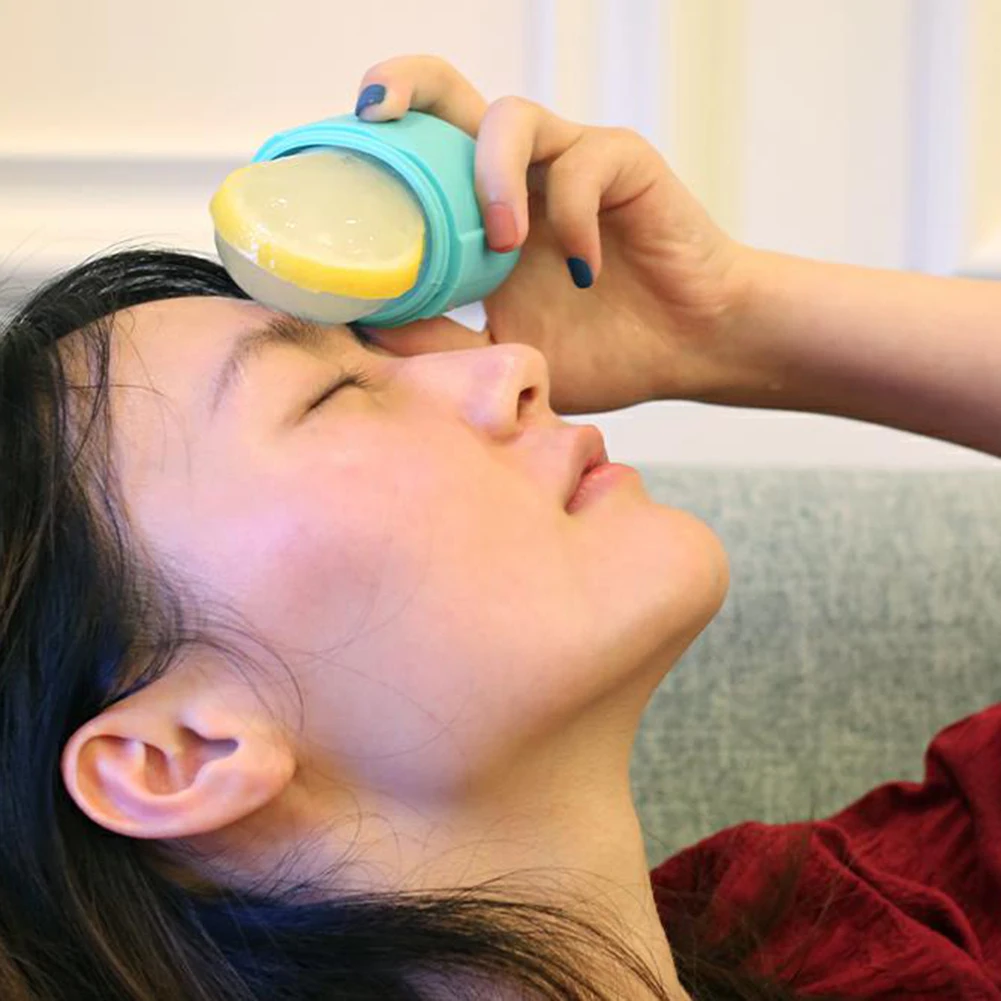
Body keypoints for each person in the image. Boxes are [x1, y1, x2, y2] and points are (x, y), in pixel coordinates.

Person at [1, 52, 999, 1001]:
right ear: (180, 753)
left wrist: (726, 323)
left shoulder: (858, 932)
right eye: (334, 394)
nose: (513, 366)